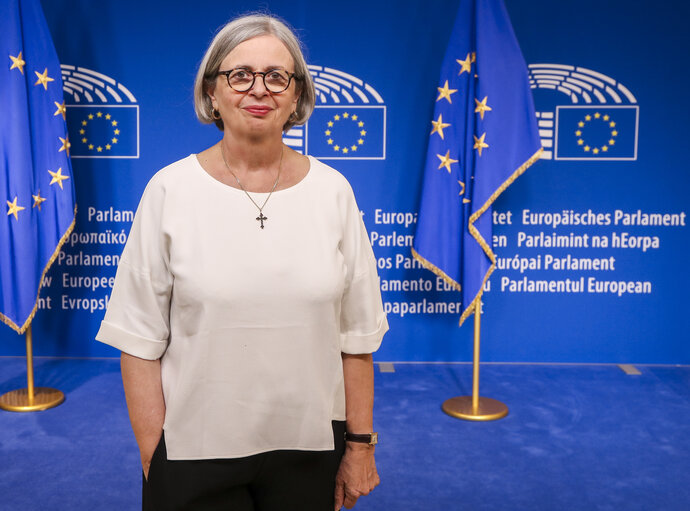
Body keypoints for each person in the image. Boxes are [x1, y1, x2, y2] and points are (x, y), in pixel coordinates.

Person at [95, 12, 388, 511]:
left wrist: (359, 447)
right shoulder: (169, 190)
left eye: (277, 76)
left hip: (310, 447)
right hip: (192, 451)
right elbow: (137, 337)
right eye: (240, 75)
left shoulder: (333, 191)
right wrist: (154, 453)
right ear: (212, 91)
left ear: (297, 96)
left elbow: (357, 338)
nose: (259, 89)